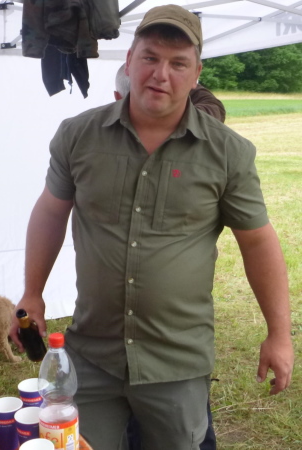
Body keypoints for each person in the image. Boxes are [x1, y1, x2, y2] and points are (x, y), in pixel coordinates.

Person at [10, 4, 294, 450]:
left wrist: (279, 334)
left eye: (178, 63)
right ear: (129, 61)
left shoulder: (227, 153)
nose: (161, 74)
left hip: (175, 362)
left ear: (196, 74)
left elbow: (258, 242)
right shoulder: (78, 136)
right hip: (94, 354)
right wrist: (33, 292)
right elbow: (50, 211)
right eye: (150, 58)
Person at [115, 62, 220, 450]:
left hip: (169, 338)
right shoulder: (104, 140)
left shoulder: (201, 128)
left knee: (182, 422)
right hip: (129, 338)